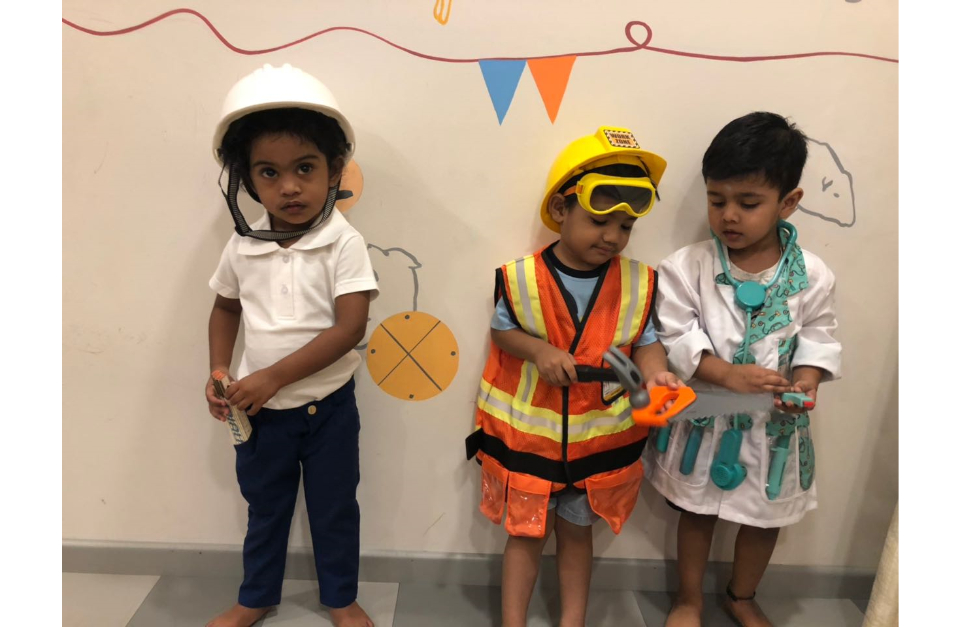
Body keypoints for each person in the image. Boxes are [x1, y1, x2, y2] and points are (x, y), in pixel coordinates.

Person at [466, 127, 681, 627]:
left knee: (578, 536)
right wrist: (539, 350)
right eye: (599, 221)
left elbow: (647, 341)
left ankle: (573, 621)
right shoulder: (522, 278)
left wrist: (657, 376)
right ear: (562, 209)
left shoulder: (638, 282)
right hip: (527, 448)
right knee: (524, 536)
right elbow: (502, 332)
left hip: (597, 450)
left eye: (625, 226)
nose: (612, 237)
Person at [644, 112, 841, 627]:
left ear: (788, 202)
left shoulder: (812, 276)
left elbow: (819, 337)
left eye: (748, 203)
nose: (728, 216)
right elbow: (674, 334)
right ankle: (688, 599)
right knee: (696, 510)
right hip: (706, 420)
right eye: (717, 200)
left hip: (773, 426)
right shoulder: (686, 267)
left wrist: (807, 381)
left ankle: (741, 595)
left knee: (764, 516)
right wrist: (725, 374)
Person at [204, 64, 378, 627]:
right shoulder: (241, 245)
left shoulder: (343, 243)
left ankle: (340, 599)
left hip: (329, 409)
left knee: (334, 509)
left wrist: (274, 375)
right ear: (247, 180)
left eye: (305, 168)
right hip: (259, 413)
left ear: (334, 170)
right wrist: (219, 369)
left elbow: (350, 328)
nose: (289, 186)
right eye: (269, 172)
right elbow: (225, 308)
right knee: (265, 508)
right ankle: (256, 596)